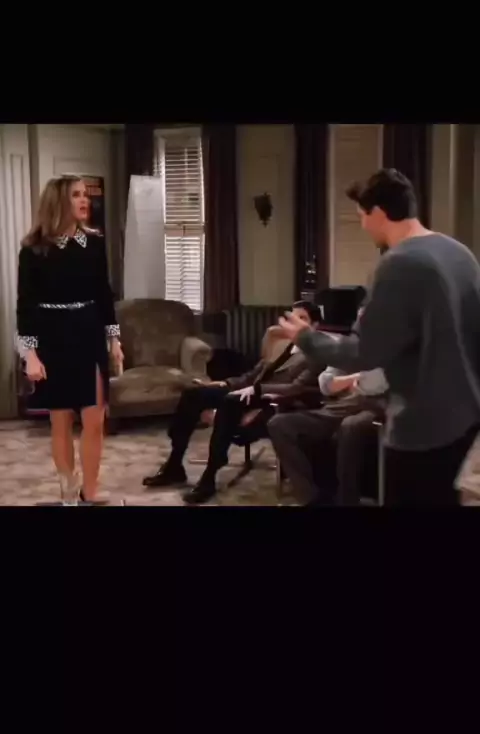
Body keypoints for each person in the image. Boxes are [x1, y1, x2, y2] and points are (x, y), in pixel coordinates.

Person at [277, 168, 480, 507]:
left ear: (379, 213)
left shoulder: (399, 263)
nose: (363, 225)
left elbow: (366, 352)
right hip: (466, 417)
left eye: (362, 216)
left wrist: (306, 338)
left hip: (423, 426)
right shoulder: (460, 254)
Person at [142, 301, 323, 505]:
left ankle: (209, 476)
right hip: (248, 392)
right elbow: (253, 375)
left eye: (302, 318)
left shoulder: (316, 354)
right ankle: (175, 465)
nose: (294, 323)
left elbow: (296, 389)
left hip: (275, 401)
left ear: (315, 325)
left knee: (230, 402)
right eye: (292, 318)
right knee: (193, 394)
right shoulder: (285, 345)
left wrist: (256, 390)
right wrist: (225, 383)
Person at [16, 175, 124, 505]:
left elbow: (104, 295)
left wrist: (114, 341)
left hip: (88, 333)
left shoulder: (94, 244)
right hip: (54, 337)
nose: (84, 200)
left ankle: (89, 492)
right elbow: (25, 305)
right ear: (59, 201)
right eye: (76, 195)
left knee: (95, 419)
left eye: (85, 195)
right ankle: (68, 490)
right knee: (61, 421)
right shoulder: (34, 250)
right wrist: (30, 355)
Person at [269, 341, 387, 506]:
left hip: (372, 406)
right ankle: (311, 499)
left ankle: (346, 501)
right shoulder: (349, 347)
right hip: (337, 407)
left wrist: (352, 381)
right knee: (279, 424)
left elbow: (380, 381)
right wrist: (355, 378)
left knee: (350, 426)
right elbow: (326, 384)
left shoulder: (390, 349)